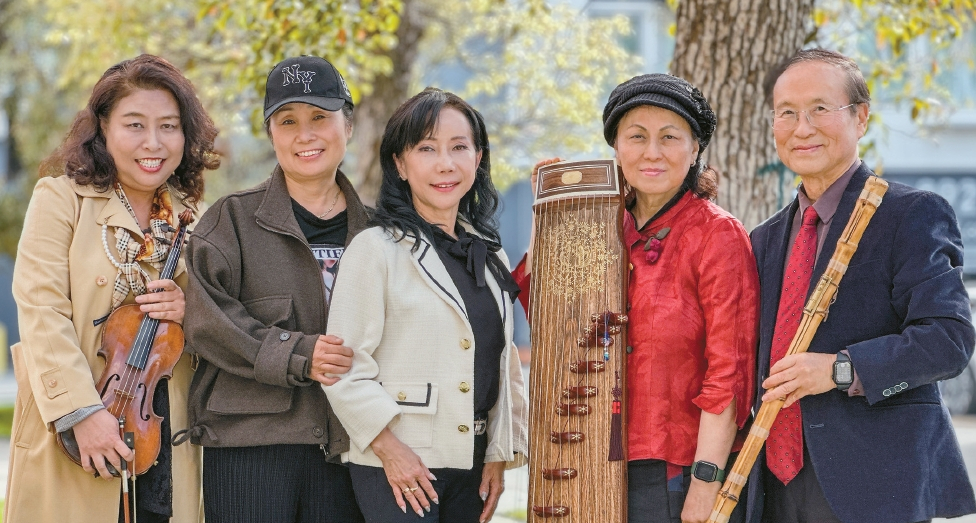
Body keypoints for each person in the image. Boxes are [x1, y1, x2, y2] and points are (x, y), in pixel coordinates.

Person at [512, 74, 760, 523]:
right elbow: (555, 327)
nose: (652, 152)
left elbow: (730, 371)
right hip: (589, 459)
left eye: (670, 137)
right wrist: (549, 213)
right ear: (616, 149)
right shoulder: (599, 225)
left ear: (695, 148)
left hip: (674, 470)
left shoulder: (716, 234)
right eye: (637, 137)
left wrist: (706, 484)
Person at [747, 48, 976, 523]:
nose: (801, 127)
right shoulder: (764, 239)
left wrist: (838, 370)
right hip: (771, 484)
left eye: (819, 109)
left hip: (876, 483)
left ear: (861, 117)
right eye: (786, 113)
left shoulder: (912, 214)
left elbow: (949, 340)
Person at [7, 54, 219, 523]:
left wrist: (190, 309)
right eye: (135, 124)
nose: (154, 142)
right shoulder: (60, 200)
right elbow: (41, 311)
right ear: (102, 128)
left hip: (164, 425)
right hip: (77, 426)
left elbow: (220, 321)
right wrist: (81, 414)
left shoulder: (196, 217)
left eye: (169, 126)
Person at [319, 87, 528, 523]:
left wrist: (498, 452)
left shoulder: (490, 256)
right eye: (427, 148)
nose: (445, 164)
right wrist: (390, 450)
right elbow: (343, 367)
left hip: (471, 461)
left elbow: (502, 362)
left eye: (459, 147)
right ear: (400, 163)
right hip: (397, 463)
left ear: (478, 157)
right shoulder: (374, 249)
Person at [179, 55, 368, 522]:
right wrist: (299, 353)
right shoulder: (230, 222)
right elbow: (207, 322)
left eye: (319, 118)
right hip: (250, 447)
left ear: (348, 125)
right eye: (288, 121)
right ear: (272, 134)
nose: (305, 134)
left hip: (350, 448)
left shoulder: (380, 233)